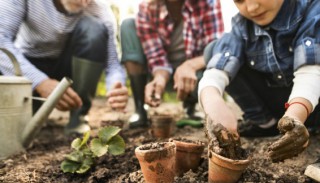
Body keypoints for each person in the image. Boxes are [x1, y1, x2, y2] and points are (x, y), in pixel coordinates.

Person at [199, 0, 320, 162]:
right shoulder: (241, 25)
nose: (251, 8)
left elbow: (311, 71)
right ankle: (265, 124)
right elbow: (218, 69)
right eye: (239, 1)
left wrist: (295, 116)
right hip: (280, 107)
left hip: (311, 104)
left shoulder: (311, 8)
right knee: (213, 50)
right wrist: (212, 101)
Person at [0, 0, 128, 134]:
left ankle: (79, 115)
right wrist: (40, 82)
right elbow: (1, 40)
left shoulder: (100, 10)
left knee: (94, 29)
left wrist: (116, 86)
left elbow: (113, 65)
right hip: (29, 67)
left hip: (68, 69)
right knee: (17, 127)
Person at [120, 0, 224, 128]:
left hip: (195, 74)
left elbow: (216, 50)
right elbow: (156, 57)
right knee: (128, 24)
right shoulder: (147, 8)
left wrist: (190, 66)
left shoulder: (208, 3)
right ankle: (140, 108)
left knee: (213, 68)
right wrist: (160, 77)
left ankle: (190, 106)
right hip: (161, 74)